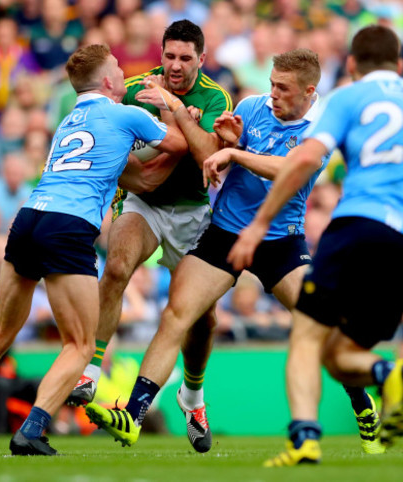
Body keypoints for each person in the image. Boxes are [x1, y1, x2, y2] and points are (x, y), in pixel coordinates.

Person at [84, 48, 384, 456]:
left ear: (309, 91)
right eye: (272, 83)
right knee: (177, 313)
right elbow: (218, 156)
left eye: (283, 88)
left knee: (323, 326)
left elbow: (290, 172)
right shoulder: (252, 107)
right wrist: (225, 139)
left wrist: (236, 152)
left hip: (280, 241)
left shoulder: (322, 127)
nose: (272, 93)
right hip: (225, 233)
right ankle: (133, 416)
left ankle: (362, 404)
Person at [226, 25, 403, 466]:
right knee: (344, 353)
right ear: (402, 66)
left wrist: (258, 225)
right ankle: (391, 373)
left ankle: (305, 438)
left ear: (351, 65)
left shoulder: (349, 97)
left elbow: (306, 159)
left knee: (308, 337)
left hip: (359, 226)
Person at [0, 43, 187, 457]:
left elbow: (137, 180)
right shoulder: (126, 113)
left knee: (0, 331)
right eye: (119, 69)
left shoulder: (68, 122)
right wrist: (173, 105)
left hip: (29, 217)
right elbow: (179, 145)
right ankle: (32, 430)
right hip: (69, 226)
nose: (125, 74)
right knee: (81, 345)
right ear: (107, 81)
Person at [67, 21, 232, 444]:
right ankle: (89, 369)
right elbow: (107, 135)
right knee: (118, 265)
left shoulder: (215, 97)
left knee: (202, 318)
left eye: (185, 58)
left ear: (201, 58)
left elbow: (208, 158)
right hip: (143, 203)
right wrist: (142, 166)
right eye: (169, 56)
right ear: (161, 52)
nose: (175, 66)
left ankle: (192, 397)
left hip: (195, 211)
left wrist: (174, 110)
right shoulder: (135, 87)